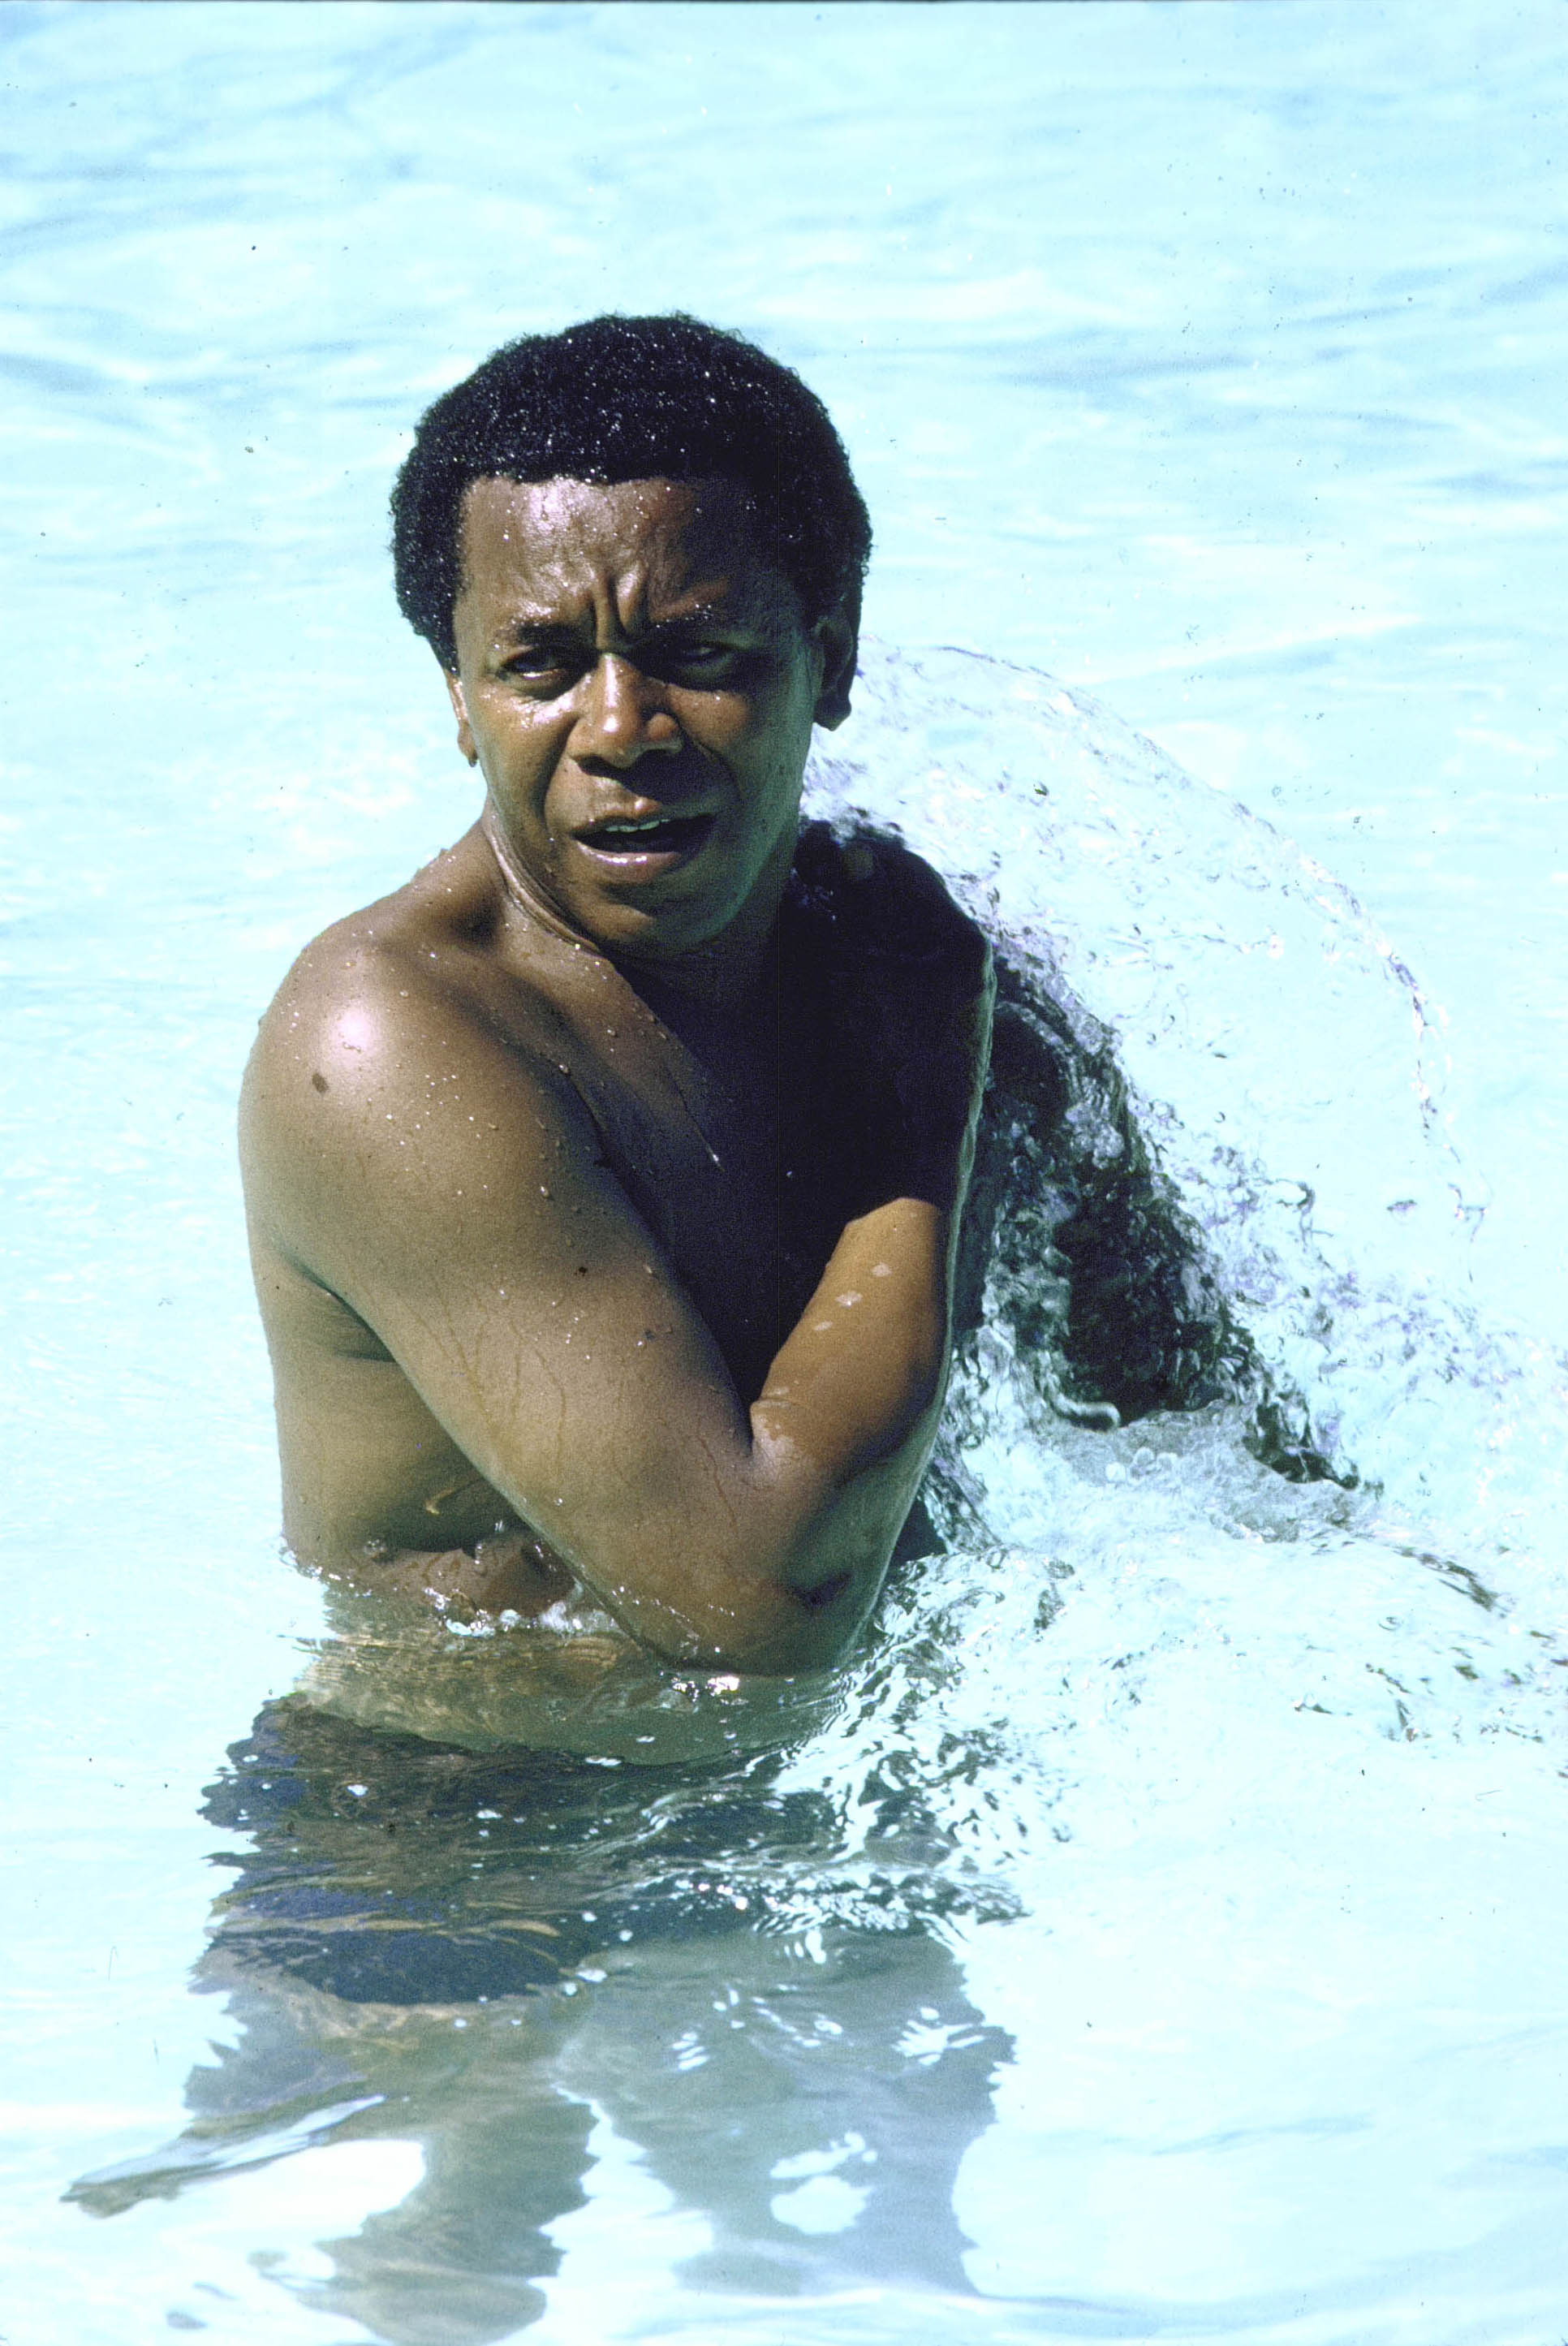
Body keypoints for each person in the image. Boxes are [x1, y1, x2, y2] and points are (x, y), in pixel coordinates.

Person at [239, 314, 993, 1679]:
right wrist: (917, 1115)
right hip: (453, 1844)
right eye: (540, 665)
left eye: (696, 654)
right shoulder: (388, 1050)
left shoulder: (884, 955)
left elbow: (1166, 1382)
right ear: (459, 696)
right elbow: (752, 1601)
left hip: (827, 1813)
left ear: (832, 652)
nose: (618, 728)